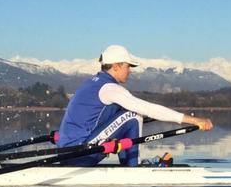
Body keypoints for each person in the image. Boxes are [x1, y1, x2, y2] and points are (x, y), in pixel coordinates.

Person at [57, 45, 214, 166]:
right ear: (116, 66)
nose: (130, 71)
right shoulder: (110, 89)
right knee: (133, 115)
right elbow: (148, 109)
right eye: (128, 66)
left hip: (70, 152)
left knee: (128, 114)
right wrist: (194, 121)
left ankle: (130, 165)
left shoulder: (92, 83)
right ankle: (133, 167)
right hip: (80, 155)